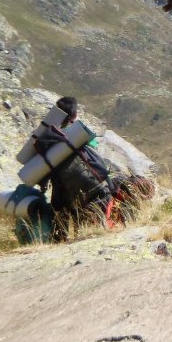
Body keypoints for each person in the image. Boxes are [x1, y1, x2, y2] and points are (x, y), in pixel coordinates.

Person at [39, 96, 115, 242]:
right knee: (95, 200)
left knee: (61, 210)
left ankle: (58, 240)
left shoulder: (48, 135)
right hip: (82, 178)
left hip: (59, 182)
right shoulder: (77, 131)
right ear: (73, 114)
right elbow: (92, 146)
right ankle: (88, 233)